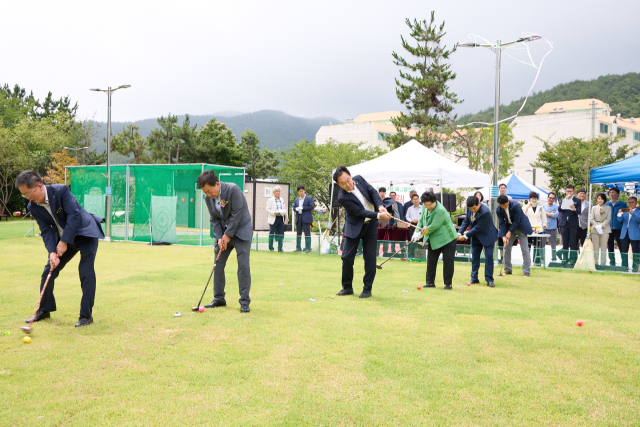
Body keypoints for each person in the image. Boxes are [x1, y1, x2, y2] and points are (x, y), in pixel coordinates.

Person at [16, 170, 104, 327]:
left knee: (86, 271)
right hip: (63, 240)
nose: (27, 198)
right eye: (24, 195)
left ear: (39, 187)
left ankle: (86, 316)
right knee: (48, 272)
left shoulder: (61, 190)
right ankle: (44, 310)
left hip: (85, 233)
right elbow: (46, 231)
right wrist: (52, 252)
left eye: (28, 193)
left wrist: (63, 242)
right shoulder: (33, 207)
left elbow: (74, 215)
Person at [198, 170, 253, 313]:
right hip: (223, 235)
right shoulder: (208, 199)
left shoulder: (233, 189)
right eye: (206, 193)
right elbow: (214, 219)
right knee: (218, 264)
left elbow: (237, 214)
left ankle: (244, 302)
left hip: (241, 231)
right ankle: (219, 298)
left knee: (243, 265)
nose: (209, 195)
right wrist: (219, 238)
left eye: (210, 191)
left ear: (217, 184)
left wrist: (227, 235)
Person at [333, 166, 392, 298]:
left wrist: (381, 207)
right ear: (338, 184)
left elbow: (373, 192)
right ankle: (347, 287)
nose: (347, 184)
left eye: (348, 180)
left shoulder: (359, 179)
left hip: (370, 226)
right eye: (342, 183)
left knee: (370, 258)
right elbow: (359, 212)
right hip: (354, 226)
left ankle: (367, 289)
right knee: (347, 257)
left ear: (350, 175)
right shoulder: (342, 197)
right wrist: (378, 215)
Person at [415, 191, 458, 290]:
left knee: (448, 261)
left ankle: (448, 284)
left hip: (448, 239)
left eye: (429, 205)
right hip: (434, 238)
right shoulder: (425, 207)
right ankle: (430, 282)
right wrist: (416, 231)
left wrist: (420, 234)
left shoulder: (440, 210)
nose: (427, 207)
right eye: (425, 205)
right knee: (431, 261)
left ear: (434, 201)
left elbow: (434, 226)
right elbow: (421, 220)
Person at [457, 196, 498, 287]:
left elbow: (478, 227)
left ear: (479, 203)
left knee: (489, 257)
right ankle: (474, 278)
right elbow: (466, 220)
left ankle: (489, 279)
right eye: (471, 209)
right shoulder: (470, 208)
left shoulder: (485, 212)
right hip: (476, 237)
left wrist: (465, 236)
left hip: (488, 236)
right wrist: (460, 233)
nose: (473, 210)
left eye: (474, 208)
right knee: (475, 257)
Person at [497, 194, 533, 277]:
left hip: (521, 227)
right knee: (506, 247)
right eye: (501, 205)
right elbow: (501, 223)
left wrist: (509, 232)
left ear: (508, 202)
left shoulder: (515, 205)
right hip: (509, 227)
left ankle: (526, 270)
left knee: (524, 249)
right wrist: (503, 236)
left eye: (504, 205)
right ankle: (508, 269)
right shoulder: (498, 209)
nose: (503, 207)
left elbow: (517, 220)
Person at [557, 184, 582, 263]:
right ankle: (565, 258)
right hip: (564, 223)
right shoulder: (563, 199)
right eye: (568, 191)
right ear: (565, 191)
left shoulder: (577, 200)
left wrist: (574, 209)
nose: (569, 192)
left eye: (571, 191)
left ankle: (573, 259)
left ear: (573, 192)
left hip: (573, 223)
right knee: (565, 242)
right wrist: (563, 202)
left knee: (573, 242)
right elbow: (559, 210)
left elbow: (579, 211)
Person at [605, 188, 627, 266]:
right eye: (610, 192)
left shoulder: (623, 204)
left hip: (619, 228)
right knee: (610, 246)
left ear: (617, 194)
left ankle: (624, 262)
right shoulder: (606, 204)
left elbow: (626, 216)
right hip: (609, 228)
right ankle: (612, 262)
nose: (611, 194)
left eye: (613, 192)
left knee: (621, 246)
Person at [524, 191, 547, 265]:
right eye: (533, 198)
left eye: (536, 199)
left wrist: (543, 227)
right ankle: (527, 261)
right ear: (530, 199)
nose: (534, 200)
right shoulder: (525, 207)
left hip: (538, 228)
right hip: (528, 228)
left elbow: (544, 218)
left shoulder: (540, 207)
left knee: (538, 244)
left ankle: (537, 260)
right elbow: (522, 215)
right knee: (528, 244)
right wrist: (528, 207)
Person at [618, 196, 640, 271]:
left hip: (635, 233)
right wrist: (620, 214)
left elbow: (639, 219)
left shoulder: (638, 211)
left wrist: (633, 213)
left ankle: (635, 267)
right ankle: (624, 266)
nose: (630, 203)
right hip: (624, 233)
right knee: (624, 251)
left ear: (636, 203)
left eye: (632, 202)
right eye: (629, 202)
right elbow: (619, 220)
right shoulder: (625, 210)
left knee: (636, 251)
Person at [590, 193, 611, 266]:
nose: (600, 200)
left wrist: (602, 226)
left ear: (604, 200)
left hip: (605, 229)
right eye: (598, 198)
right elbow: (591, 218)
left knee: (604, 247)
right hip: (595, 229)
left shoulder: (608, 208)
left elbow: (608, 218)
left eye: (601, 199)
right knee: (595, 247)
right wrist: (596, 226)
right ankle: (595, 263)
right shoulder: (594, 208)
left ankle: (603, 264)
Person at [266, 185, 287, 252]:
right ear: (274, 192)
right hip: (273, 218)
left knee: (281, 233)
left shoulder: (282, 199)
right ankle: (271, 248)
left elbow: (284, 208)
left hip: (280, 217)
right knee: (272, 233)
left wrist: (283, 212)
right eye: (277, 191)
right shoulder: (270, 200)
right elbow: (267, 209)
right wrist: (274, 212)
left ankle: (280, 248)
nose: (278, 192)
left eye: (279, 191)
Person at [293, 185, 314, 253]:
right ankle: (298, 247)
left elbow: (311, 206)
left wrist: (303, 208)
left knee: (307, 233)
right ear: (298, 192)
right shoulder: (297, 199)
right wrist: (296, 209)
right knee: (298, 233)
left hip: (306, 217)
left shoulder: (309, 198)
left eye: (302, 191)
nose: (301, 192)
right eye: (300, 191)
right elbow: (294, 207)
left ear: (304, 191)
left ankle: (308, 247)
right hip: (299, 217)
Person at [542, 192, 560, 261]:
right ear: (547, 198)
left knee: (553, 245)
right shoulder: (542, 206)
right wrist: (550, 213)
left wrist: (546, 213)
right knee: (542, 245)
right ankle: (542, 257)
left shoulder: (557, 207)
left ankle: (554, 258)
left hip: (553, 228)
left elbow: (555, 215)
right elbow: (541, 214)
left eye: (553, 198)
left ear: (554, 199)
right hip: (544, 228)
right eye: (550, 198)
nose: (551, 199)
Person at [404, 194, 422, 259]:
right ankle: (411, 255)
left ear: (419, 199)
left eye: (417, 198)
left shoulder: (423, 208)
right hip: (413, 225)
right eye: (414, 199)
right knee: (412, 239)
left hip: (421, 226)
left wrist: (419, 220)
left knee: (420, 239)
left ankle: (419, 255)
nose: (416, 200)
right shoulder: (410, 208)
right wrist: (411, 220)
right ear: (412, 201)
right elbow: (407, 217)